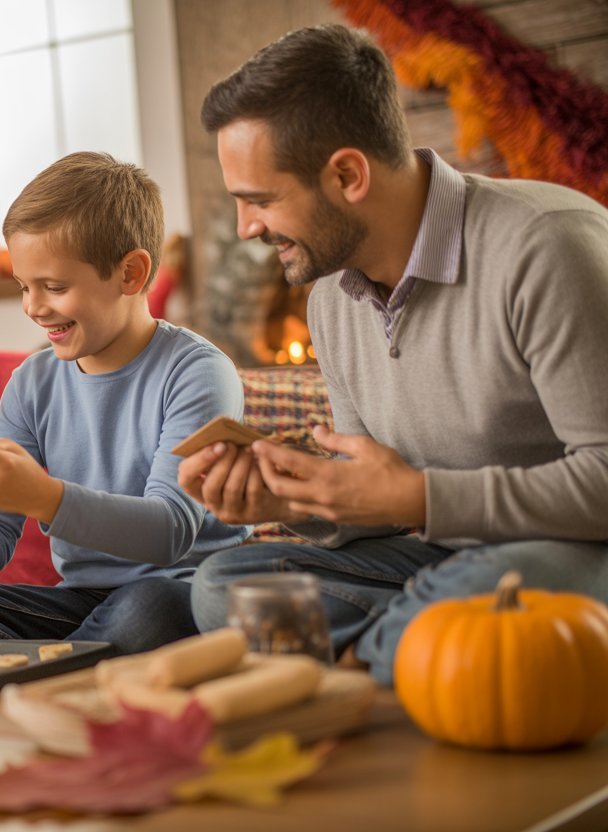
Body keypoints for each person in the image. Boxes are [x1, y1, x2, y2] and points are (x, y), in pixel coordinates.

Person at [180, 24, 608, 684]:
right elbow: (376, 491)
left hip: (572, 556)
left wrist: (418, 496)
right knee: (225, 586)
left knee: (493, 586)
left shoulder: (547, 246)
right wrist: (298, 499)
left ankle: (376, 661)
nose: (248, 229)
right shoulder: (330, 298)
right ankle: (413, 654)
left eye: (260, 200)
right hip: (443, 563)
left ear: (348, 174)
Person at [0, 152, 250, 654]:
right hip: (80, 605)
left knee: (146, 608)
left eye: (55, 287)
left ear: (131, 274)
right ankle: (78, 662)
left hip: (183, 592)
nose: (34, 307)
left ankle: (51, 666)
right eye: (24, 286)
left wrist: (43, 496)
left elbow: (170, 532)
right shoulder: (31, 383)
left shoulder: (198, 371)